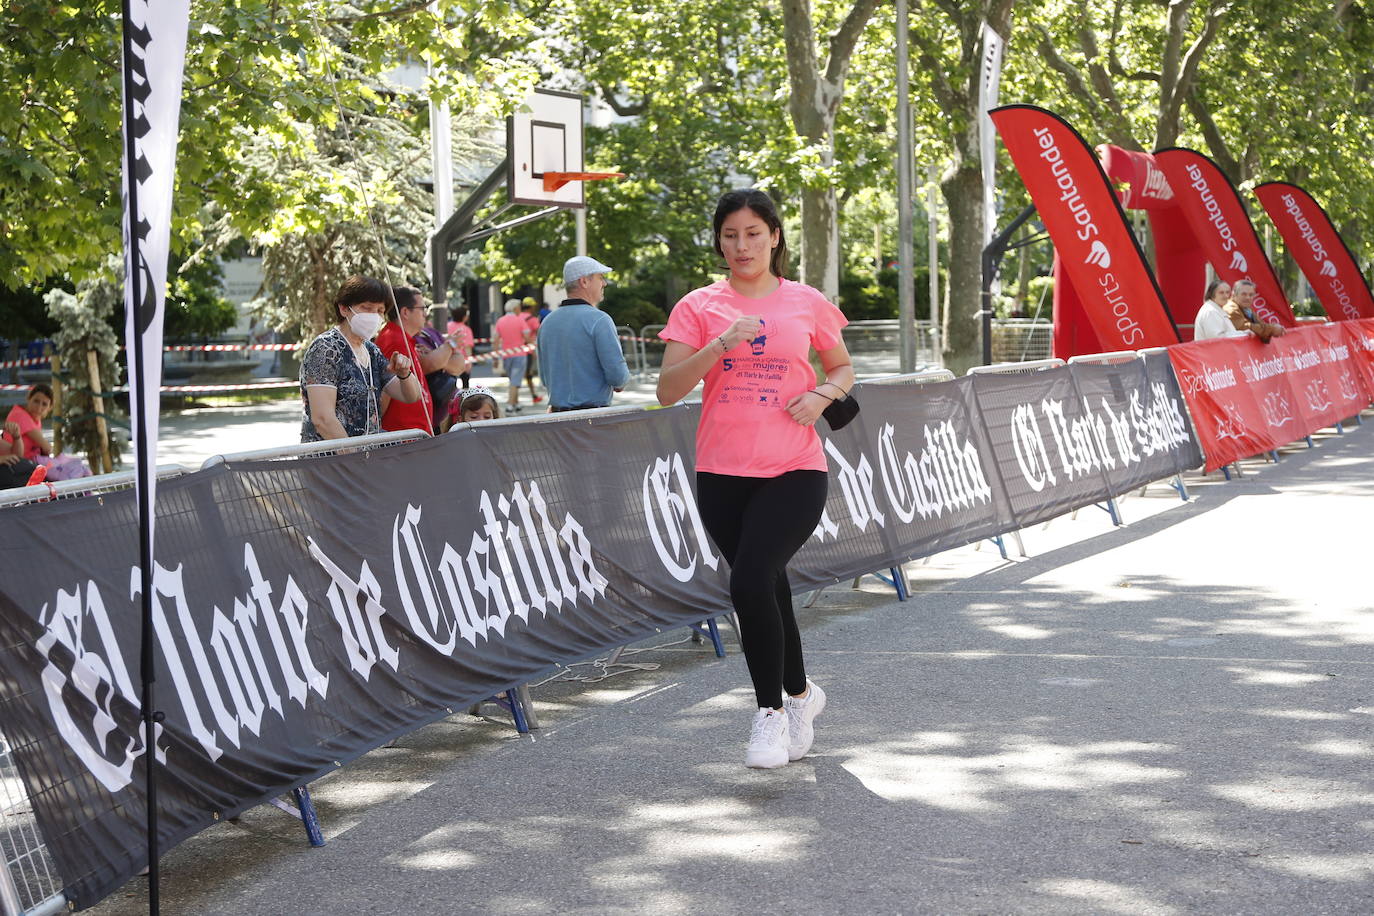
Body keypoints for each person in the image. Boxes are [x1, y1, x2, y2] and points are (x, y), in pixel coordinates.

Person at [656, 188, 854, 769]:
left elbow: (842, 367)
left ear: (774, 237)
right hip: (721, 470)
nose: (741, 246)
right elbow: (668, 391)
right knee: (768, 586)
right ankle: (800, 696)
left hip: (794, 466)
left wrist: (821, 394)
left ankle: (767, 713)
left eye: (752, 234)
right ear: (719, 242)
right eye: (730, 235)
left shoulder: (805, 301)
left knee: (749, 581)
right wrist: (721, 343)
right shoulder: (699, 305)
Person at [299, 275, 421, 442]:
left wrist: (405, 374)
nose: (375, 317)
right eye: (367, 308)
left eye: (380, 311)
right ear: (344, 309)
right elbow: (323, 420)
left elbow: (411, 396)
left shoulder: (371, 350)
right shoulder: (326, 348)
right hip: (331, 460)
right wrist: (355, 457)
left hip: (366, 458)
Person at [538, 256, 630, 412]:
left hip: (556, 417)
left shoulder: (547, 322)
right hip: (592, 418)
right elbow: (617, 376)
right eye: (600, 277)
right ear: (584, 282)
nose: (604, 283)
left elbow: (545, 379)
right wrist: (623, 381)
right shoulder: (599, 319)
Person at [377, 286, 467, 432]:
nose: (425, 314)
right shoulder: (395, 340)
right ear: (405, 312)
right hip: (404, 434)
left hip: (413, 432)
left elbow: (458, 364)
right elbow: (386, 392)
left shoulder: (403, 338)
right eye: (422, 308)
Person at [2, 383, 91, 480]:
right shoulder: (19, 415)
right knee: (70, 472)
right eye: (36, 401)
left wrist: (17, 438)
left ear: (50, 408)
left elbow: (18, 453)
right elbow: (47, 447)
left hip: (26, 465)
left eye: (44, 404)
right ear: (28, 399)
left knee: (76, 469)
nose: (39, 407)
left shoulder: (34, 418)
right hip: (23, 467)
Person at [493, 299, 533, 413]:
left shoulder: (500, 321)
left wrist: (495, 357)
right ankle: (510, 404)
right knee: (515, 381)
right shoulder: (520, 320)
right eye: (519, 307)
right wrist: (533, 348)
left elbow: (495, 340)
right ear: (515, 309)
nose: (520, 309)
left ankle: (516, 403)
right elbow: (527, 337)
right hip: (519, 354)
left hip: (506, 355)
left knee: (513, 380)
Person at [520, 298, 544, 405]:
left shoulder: (518, 317)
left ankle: (532, 394)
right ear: (531, 307)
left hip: (515, 350)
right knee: (529, 373)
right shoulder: (533, 319)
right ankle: (533, 394)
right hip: (529, 350)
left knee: (523, 373)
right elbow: (540, 333)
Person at [446, 306, 474, 390]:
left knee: (450, 385)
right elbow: (467, 347)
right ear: (464, 317)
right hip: (462, 360)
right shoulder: (466, 329)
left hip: (447, 359)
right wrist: (469, 363)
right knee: (465, 385)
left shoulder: (447, 326)